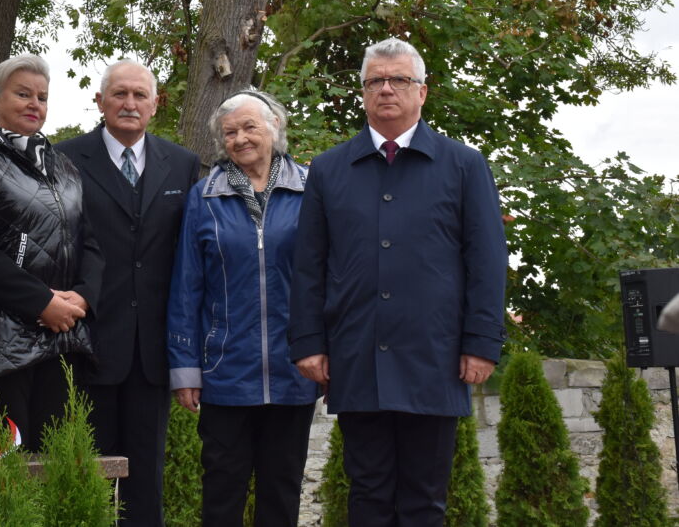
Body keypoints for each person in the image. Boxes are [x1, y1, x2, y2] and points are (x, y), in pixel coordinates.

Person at [288, 37, 507, 527]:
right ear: (363, 93)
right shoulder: (328, 169)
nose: (386, 89)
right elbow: (309, 265)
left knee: (424, 499)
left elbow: (488, 261)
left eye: (398, 80)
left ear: (421, 92)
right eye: (375, 81)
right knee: (367, 493)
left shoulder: (463, 165)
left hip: (436, 357)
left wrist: (482, 342)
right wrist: (308, 342)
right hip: (357, 356)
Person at [57, 59, 199, 526]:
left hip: (152, 350)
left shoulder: (182, 164)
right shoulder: (66, 159)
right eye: (119, 94)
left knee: (145, 481)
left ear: (155, 105)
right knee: (87, 477)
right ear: (100, 101)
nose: (130, 103)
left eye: (140, 95)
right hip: (86, 341)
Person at [167, 90, 318, 527]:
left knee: (283, 488)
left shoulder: (311, 190)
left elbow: (328, 280)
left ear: (275, 129)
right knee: (222, 489)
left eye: (250, 127)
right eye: (230, 132)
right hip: (224, 372)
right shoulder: (204, 197)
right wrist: (185, 367)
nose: (240, 139)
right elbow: (186, 287)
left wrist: (327, 353)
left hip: (296, 370)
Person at [0, 53, 103, 451]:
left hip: (64, 337)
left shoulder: (63, 165)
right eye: (23, 94)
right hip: (4, 342)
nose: (35, 104)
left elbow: (90, 242)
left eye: (43, 97)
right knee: (8, 472)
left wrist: (82, 296)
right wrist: (40, 301)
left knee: (56, 468)